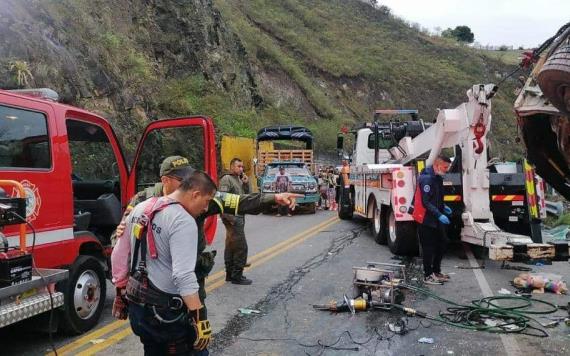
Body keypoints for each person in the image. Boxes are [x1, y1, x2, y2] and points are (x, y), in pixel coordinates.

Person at [111, 156, 300, 332]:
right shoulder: (142, 201)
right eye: (182, 180)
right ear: (165, 181)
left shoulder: (199, 197)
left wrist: (274, 198)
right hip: (152, 288)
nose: (189, 184)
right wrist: (121, 286)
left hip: (189, 277)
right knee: (158, 339)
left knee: (195, 333)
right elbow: (120, 239)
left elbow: (239, 201)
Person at [112, 170, 217, 355]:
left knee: (152, 350)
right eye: (207, 201)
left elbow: (119, 255)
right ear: (195, 194)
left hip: (138, 306)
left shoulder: (141, 208)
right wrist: (199, 318)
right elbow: (183, 275)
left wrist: (120, 292)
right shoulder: (182, 220)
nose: (206, 208)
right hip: (165, 315)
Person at [414, 155, 453, 285]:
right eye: (445, 167)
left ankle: (436, 271)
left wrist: (444, 207)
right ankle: (428, 275)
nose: (447, 170)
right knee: (428, 248)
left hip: (435, 217)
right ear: (437, 165)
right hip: (425, 219)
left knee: (443, 242)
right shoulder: (427, 179)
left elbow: (436, 198)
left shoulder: (437, 178)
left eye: (448, 167)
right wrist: (439, 214)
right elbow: (426, 202)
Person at [219, 157, 253, 285]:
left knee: (231, 247)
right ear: (232, 166)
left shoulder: (237, 179)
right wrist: (229, 219)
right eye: (238, 166)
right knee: (241, 247)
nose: (241, 169)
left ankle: (230, 274)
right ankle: (237, 276)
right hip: (232, 218)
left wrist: (245, 183)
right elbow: (221, 199)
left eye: (242, 167)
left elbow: (247, 197)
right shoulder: (226, 179)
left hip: (238, 216)